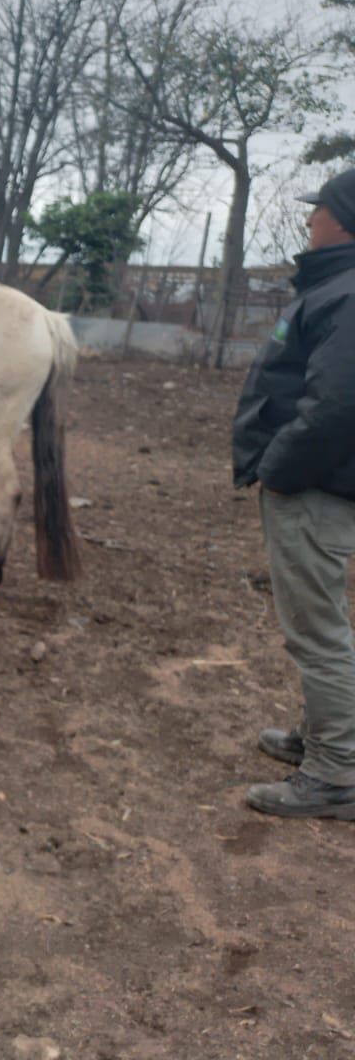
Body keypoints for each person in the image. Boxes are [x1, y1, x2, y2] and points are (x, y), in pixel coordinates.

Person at [234, 167, 355, 819]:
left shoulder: (348, 291)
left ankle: (336, 773)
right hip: (317, 483)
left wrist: (279, 466)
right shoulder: (336, 287)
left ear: (344, 220)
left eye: (319, 211)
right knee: (319, 620)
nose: (309, 221)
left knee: (317, 631)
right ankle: (319, 738)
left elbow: (339, 405)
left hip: (313, 487)